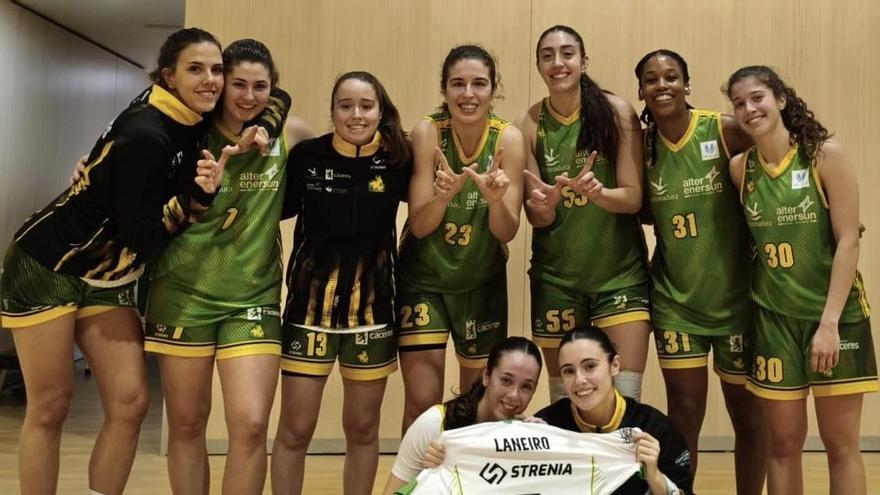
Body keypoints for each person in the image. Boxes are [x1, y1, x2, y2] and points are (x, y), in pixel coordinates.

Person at [0, 27, 226, 495]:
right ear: (168, 76)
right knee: (51, 405)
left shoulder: (189, 113)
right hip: (48, 264)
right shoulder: (147, 133)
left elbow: (270, 94)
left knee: (129, 403)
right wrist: (197, 199)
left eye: (216, 69)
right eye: (196, 69)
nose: (211, 80)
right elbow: (139, 234)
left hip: (108, 274)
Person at [140, 39, 307, 495]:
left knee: (251, 425)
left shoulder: (289, 133)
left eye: (260, 87)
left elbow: (337, 147)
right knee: (188, 424)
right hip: (182, 293)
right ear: (221, 85)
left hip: (253, 296)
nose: (249, 96)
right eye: (238, 84)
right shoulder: (189, 134)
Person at [727, 65, 878, 495]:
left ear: (780, 99)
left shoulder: (825, 155)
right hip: (775, 320)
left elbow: (849, 240)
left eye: (757, 97)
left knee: (840, 446)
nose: (749, 109)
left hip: (835, 317)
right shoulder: (740, 169)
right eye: (739, 103)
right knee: (783, 445)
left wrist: (829, 324)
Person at [269, 71, 411, 495]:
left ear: (380, 112)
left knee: (363, 429)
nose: (356, 115)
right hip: (307, 313)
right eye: (345, 106)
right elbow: (271, 209)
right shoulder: (307, 157)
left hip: (373, 314)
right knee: (294, 429)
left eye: (366, 106)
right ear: (332, 111)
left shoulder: (399, 159)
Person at [634, 49, 767, 492]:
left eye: (671, 76)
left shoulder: (724, 130)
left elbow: (779, 160)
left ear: (686, 84)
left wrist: (830, 214)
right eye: (651, 79)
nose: (662, 85)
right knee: (684, 414)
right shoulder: (642, 147)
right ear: (641, 91)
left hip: (737, 299)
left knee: (747, 414)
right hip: (676, 300)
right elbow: (642, 211)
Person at [516, 25, 649, 403]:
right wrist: (543, 207)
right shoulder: (528, 124)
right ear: (539, 66)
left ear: (583, 61)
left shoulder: (616, 111)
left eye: (567, 53)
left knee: (624, 398)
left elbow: (633, 198)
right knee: (566, 401)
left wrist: (598, 194)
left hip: (620, 277)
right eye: (547, 56)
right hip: (557, 279)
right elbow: (537, 217)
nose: (558, 63)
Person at [397, 44, 526, 433]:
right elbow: (420, 226)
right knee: (422, 403)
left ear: (493, 89)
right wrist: (441, 198)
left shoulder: (508, 139)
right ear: (444, 89)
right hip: (425, 279)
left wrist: (494, 201)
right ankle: (415, 473)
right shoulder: (428, 132)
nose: (468, 94)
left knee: (476, 404)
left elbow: (507, 231)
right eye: (457, 84)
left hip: (480, 280)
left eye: (478, 84)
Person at [535, 326, 693, 494]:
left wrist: (655, 478)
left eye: (590, 366)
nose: (579, 380)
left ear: (615, 365)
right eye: (568, 371)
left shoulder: (655, 429)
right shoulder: (546, 428)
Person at [381, 336, 542, 495]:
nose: (514, 395)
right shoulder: (433, 424)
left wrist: (541, 448)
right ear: (486, 376)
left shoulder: (526, 436)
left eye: (526, 387)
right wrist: (429, 474)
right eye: (506, 380)